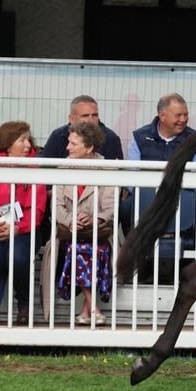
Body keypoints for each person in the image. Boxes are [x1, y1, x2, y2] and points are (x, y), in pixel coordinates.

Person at [42, 122, 117, 325]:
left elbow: (111, 209)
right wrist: (70, 220)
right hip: (69, 233)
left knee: (88, 249)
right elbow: (56, 207)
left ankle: (88, 310)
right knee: (77, 248)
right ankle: (93, 308)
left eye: (74, 144)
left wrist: (94, 219)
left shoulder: (107, 169)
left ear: (89, 148)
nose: (68, 147)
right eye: (69, 142)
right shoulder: (62, 168)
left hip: (98, 233)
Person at [120, 93, 196, 233]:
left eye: (185, 115)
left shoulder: (195, 140)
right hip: (145, 197)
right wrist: (150, 196)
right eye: (178, 115)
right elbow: (131, 175)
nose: (183, 120)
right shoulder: (140, 137)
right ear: (162, 115)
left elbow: (195, 176)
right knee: (126, 207)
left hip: (181, 198)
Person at [0, 121, 47, 325]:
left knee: (18, 256)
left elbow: (37, 209)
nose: (28, 145)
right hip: (0, 229)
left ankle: (24, 305)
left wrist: (19, 228)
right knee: (0, 255)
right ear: (8, 144)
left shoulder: (35, 168)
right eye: (22, 140)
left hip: (26, 231)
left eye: (29, 139)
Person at [42, 95, 123, 160]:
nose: (91, 120)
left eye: (95, 115)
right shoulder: (58, 136)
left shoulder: (110, 138)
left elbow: (116, 173)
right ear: (72, 119)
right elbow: (44, 165)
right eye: (85, 116)